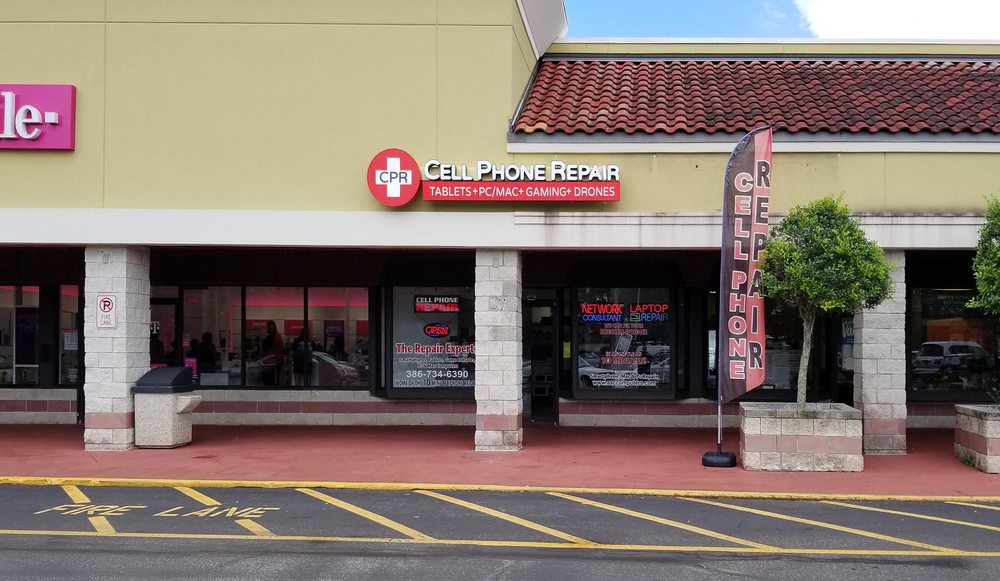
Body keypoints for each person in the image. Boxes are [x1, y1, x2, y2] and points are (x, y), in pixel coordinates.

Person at [260, 320, 284, 386]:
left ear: (271, 327)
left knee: (270, 382)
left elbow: (264, 347)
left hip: (270, 362)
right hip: (277, 361)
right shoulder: (278, 336)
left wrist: (262, 338)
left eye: (267, 327)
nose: (266, 329)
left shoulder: (271, 337)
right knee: (275, 380)